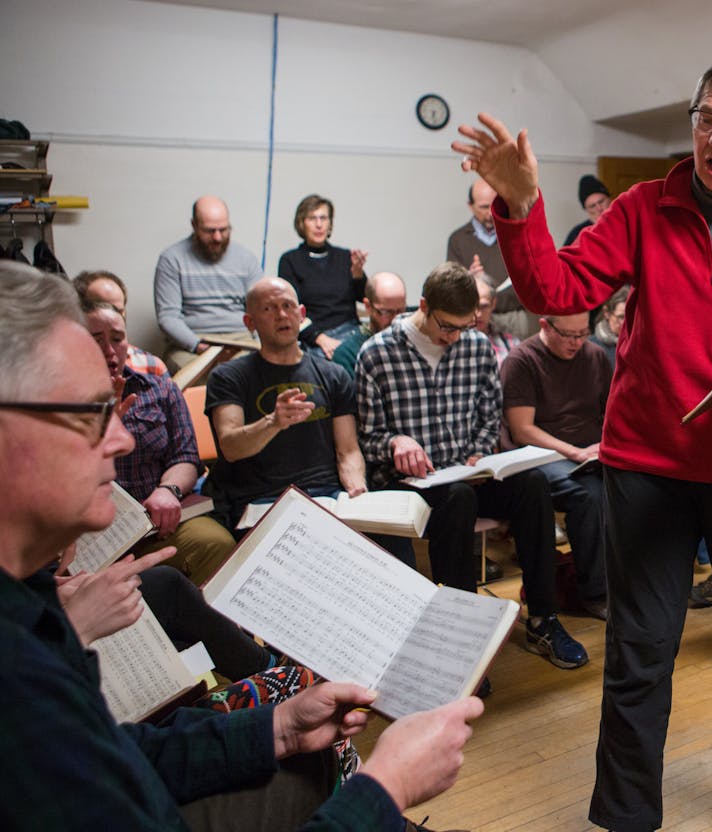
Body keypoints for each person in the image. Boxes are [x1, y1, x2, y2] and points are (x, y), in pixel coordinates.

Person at [452, 50, 712, 829]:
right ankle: (625, 815)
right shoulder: (642, 206)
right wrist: (521, 205)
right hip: (651, 469)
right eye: (706, 120)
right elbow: (558, 291)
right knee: (639, 653)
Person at [0, 261, 482, 830]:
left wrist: (278, 727)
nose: (122, 436)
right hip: (260, 506)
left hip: (326, 502)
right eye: (91, 414)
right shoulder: (18, 674)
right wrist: (387, 786)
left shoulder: (29, 610)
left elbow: (121, 753)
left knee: (311, 753)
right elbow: (227, 448)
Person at [356, 262, 587, 668]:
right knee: (458, 498)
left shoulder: (476, 347)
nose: (455, 337)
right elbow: (369, 438)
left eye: (465, 327)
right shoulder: (377, 354)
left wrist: (480, 452)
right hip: (411, 485)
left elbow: (488, 415)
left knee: (532, 486)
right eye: (447, 327)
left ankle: (543, 617)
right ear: (423, 306)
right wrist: (396, 441)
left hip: (467, 473)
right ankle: (461, 635)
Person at [83, 300, 235, 584]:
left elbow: (186, 456)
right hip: (90, 533)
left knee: (216, 542)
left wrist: (168, 490)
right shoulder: (61, 400)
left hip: (156, 522)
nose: (109, 350)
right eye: (96, 340)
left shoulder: (159, 389)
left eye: (117, 339)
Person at [204, 278, 368, 532]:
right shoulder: (228, 376)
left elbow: (348, 450)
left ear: (301, 315)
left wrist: (356, 489)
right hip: (263, 500)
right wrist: (274, 422)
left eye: (288, 306)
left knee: (391, 542)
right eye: (269, 308)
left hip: (327, 496)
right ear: (250, 322)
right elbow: (231, 446)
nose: (282, 315)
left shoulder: (334, 374)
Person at [500, 309, 612, 619]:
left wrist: (606, 447)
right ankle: (596, 592)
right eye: (568, 335)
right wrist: (575, 453)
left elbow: (612, 411)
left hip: (590, 452)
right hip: (542, 455)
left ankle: (632, 582)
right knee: (588, 496)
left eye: (583, 334)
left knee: (638, 485)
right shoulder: (522, 360)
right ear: (545, 326)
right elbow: (523, 430)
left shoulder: (595, 356)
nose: (576, 342)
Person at [153, 196, 262, 369]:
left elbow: (260, 309)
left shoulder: (247, 259)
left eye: (224, 230)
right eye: (210, 231)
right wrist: (199, 347)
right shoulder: (171, 259)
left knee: (255, 370)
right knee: (188, 373)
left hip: (240, 339)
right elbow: (168, 317)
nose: (218, 237)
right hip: (194, 340)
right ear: (194, 225)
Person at [277, 194, 369, 360]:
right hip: (314, 337)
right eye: (312, 218)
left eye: (323, 218)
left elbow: (366, 299)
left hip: (351, 331)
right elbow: (290, 308)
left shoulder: (345, 257)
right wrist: (320, 339)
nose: (319, 224)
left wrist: (358, 274)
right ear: (301, 223)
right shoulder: (290, 260)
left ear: (330, 224)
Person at [448, 179, 535, 338]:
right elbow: (451, 290)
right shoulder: (458, 240)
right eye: (484, 207)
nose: (491, 213)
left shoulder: (518, 235)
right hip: (477, 319)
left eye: (495, 206)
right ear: (471, 206)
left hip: (515, 318)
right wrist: (468, 278)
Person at [72, 269, 168, 376]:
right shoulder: (66, 370)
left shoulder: (152, 367)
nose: (111, 315)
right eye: (102, 307)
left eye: (118, 310)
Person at [331, 271, 408, 376]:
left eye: (400, 311)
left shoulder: (412, 343)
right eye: (386, 312)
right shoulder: (347, 354)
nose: (395, 319)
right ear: (368, 306)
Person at [473, 272, 521, 365]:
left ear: (493, 304)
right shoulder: (452, 340)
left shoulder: (512, 344)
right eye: (472, 306)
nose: (478, 314)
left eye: (484, 306)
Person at [564, 174, 613, 246]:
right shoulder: (577, 234)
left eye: (601, 202)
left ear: (609, 199)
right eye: (593, 206)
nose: (599, 208)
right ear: (586, 209)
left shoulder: (624, 222)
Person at [591, 285, 629, 367]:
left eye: (631, 317)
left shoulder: (637, 345)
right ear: (607, 313)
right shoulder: (592, 347)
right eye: (621, 317)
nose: (626, 323)